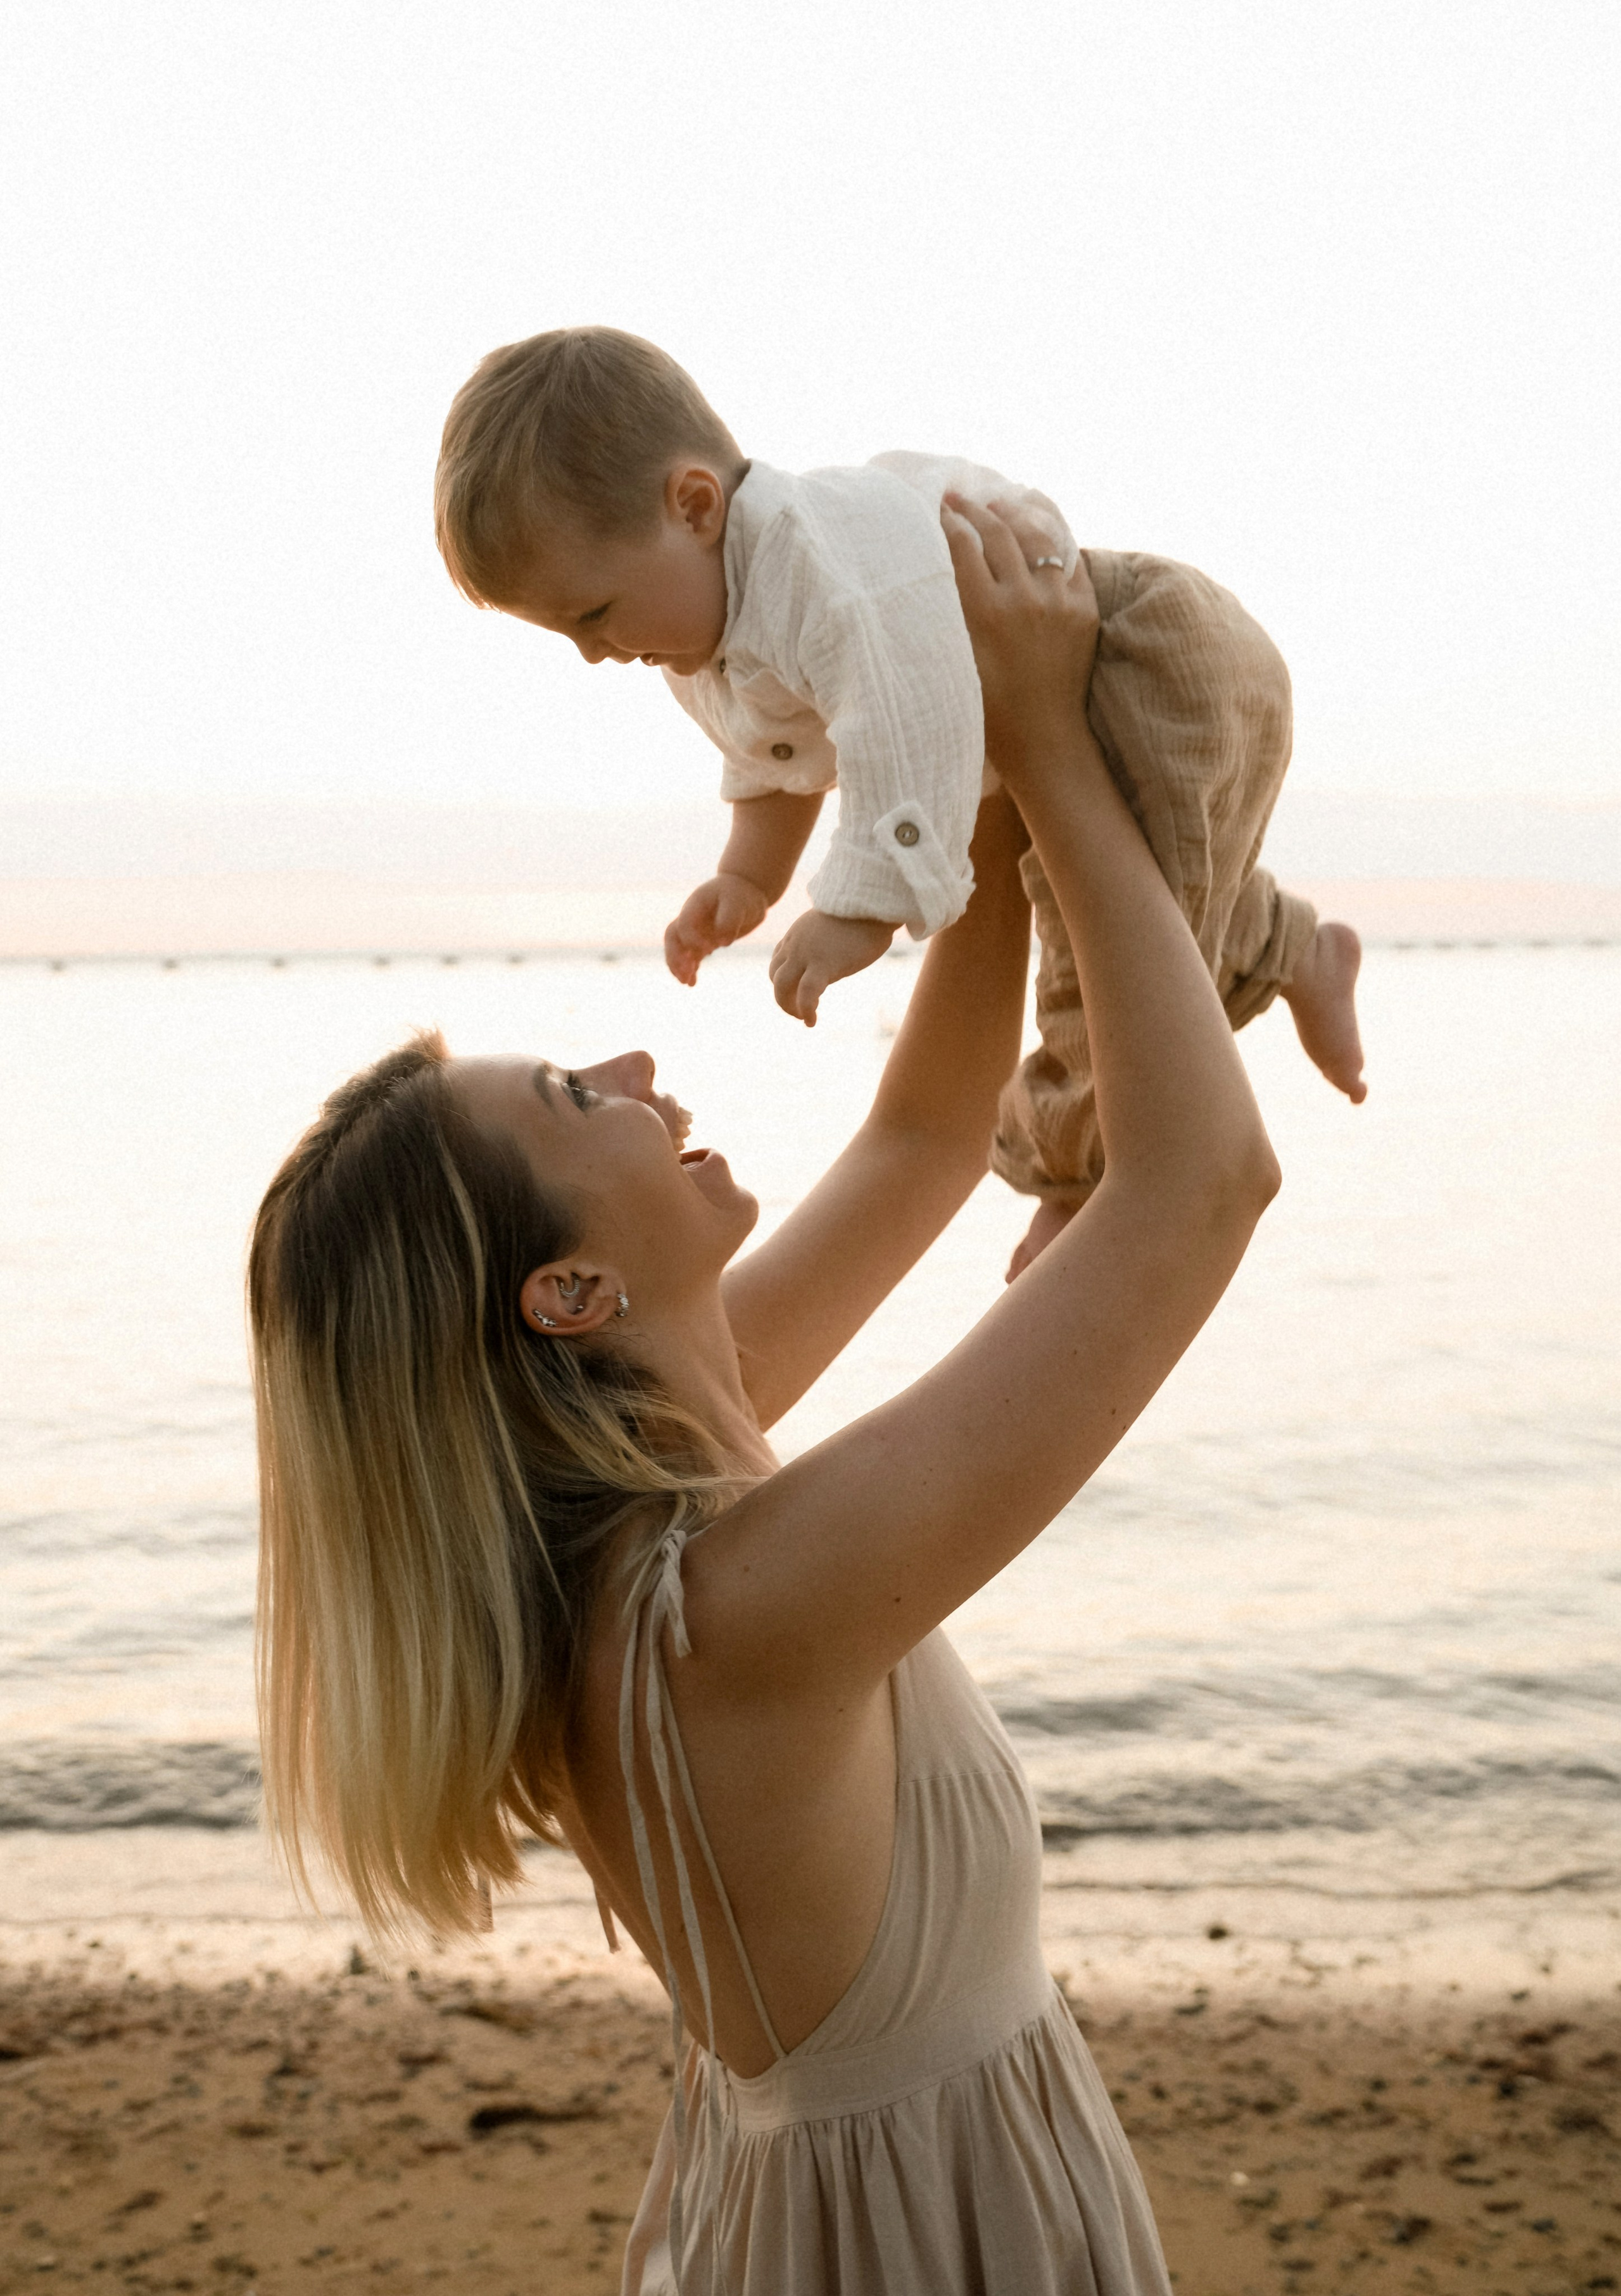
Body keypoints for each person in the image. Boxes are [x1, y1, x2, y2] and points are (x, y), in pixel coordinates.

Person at [249, 499, 1282, 2295]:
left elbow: (928, 1136)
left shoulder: (632, 1507)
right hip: (931, 2233)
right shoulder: (740, 1613)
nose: (644, 1062)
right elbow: (1201, 1184)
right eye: (582, 1094)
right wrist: (1049, 741)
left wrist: (973, 781)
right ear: (568, 1292)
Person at [432, 323, 1361, 1281]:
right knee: (1162, 921)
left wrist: (859, 909)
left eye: (593, 614)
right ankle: (1293, 947)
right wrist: (746, 878)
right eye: (568, 635)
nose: (594, 652)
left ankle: (1075, 1191)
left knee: (1109, 970)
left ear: (695, 505)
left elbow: (901, 722)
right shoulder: (699, 635)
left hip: (1139, 656)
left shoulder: (815, 565)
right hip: (1057, 692)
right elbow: (779, 766)